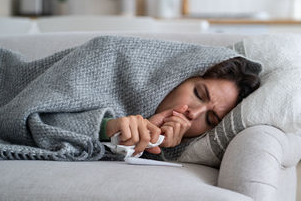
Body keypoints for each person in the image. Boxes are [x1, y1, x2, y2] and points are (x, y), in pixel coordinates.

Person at [101, 57, 261, 157]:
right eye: (199, 94)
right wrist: (106, 127)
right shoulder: (112, 60)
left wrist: (150, 142)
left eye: (210, 119)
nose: (194, 113)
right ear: (184, 75)